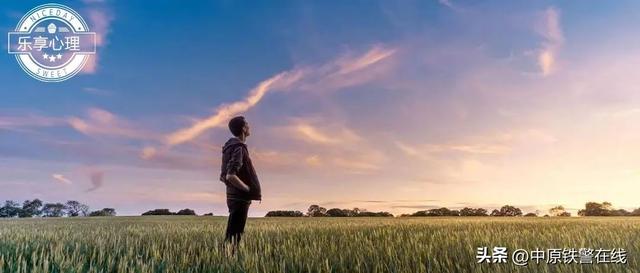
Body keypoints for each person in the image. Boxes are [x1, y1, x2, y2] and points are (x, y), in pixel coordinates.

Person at [220, 116, 262, 255]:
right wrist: (247, 189)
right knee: (235, 235)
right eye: (247, 124)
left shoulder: (229, 147)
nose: (249, 126)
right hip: (239, 197)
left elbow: (225, 175)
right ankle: (228, 261)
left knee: (233, 232)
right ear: (243, 128)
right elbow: (230, 175)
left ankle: (226, 259)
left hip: (232, 195)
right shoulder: (238, 147)